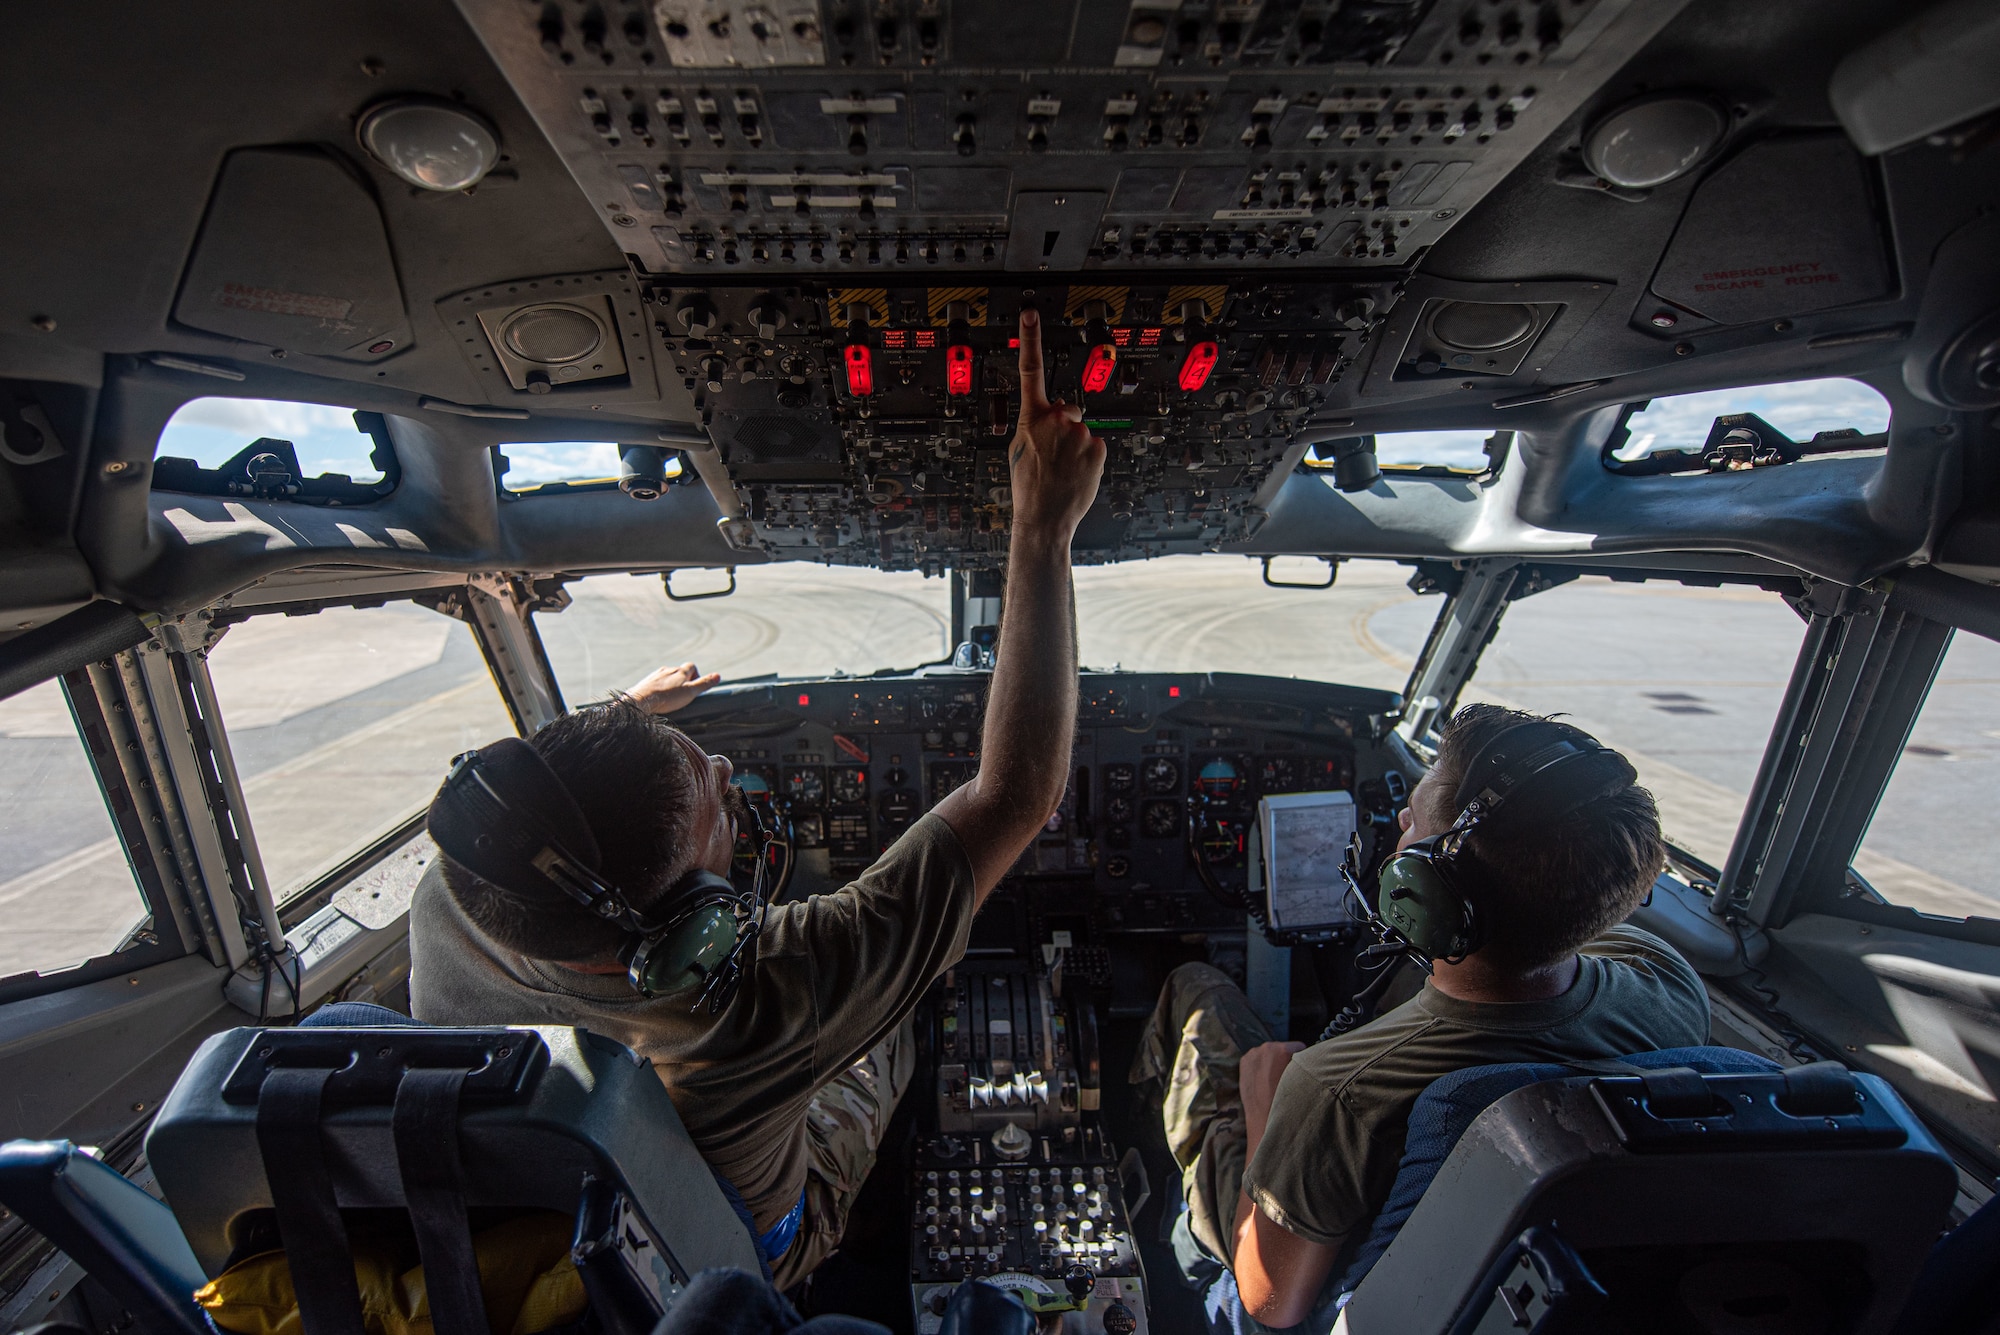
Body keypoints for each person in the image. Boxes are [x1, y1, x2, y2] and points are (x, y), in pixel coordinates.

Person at [407, 306, 1105, 1287]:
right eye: (715, 809)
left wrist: (630, 719)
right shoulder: (752, 1000)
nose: (729, 774)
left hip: (560, 1222)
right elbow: (1015, 798)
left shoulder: (457, 888)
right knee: (900, 1010)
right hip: (742, 1251)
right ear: (687, 931)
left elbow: (538, 808)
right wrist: (1042, 527)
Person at [1131, 703, 1710, 1329]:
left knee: (1199, 994)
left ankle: (1161, 1207)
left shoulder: (1338, 1090)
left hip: (1308, 1297)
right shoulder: (1665, 978)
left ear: (1424, 894)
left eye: (1414, 822)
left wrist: (1264, 1116)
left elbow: (1270, 1302)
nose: (1400, 818)